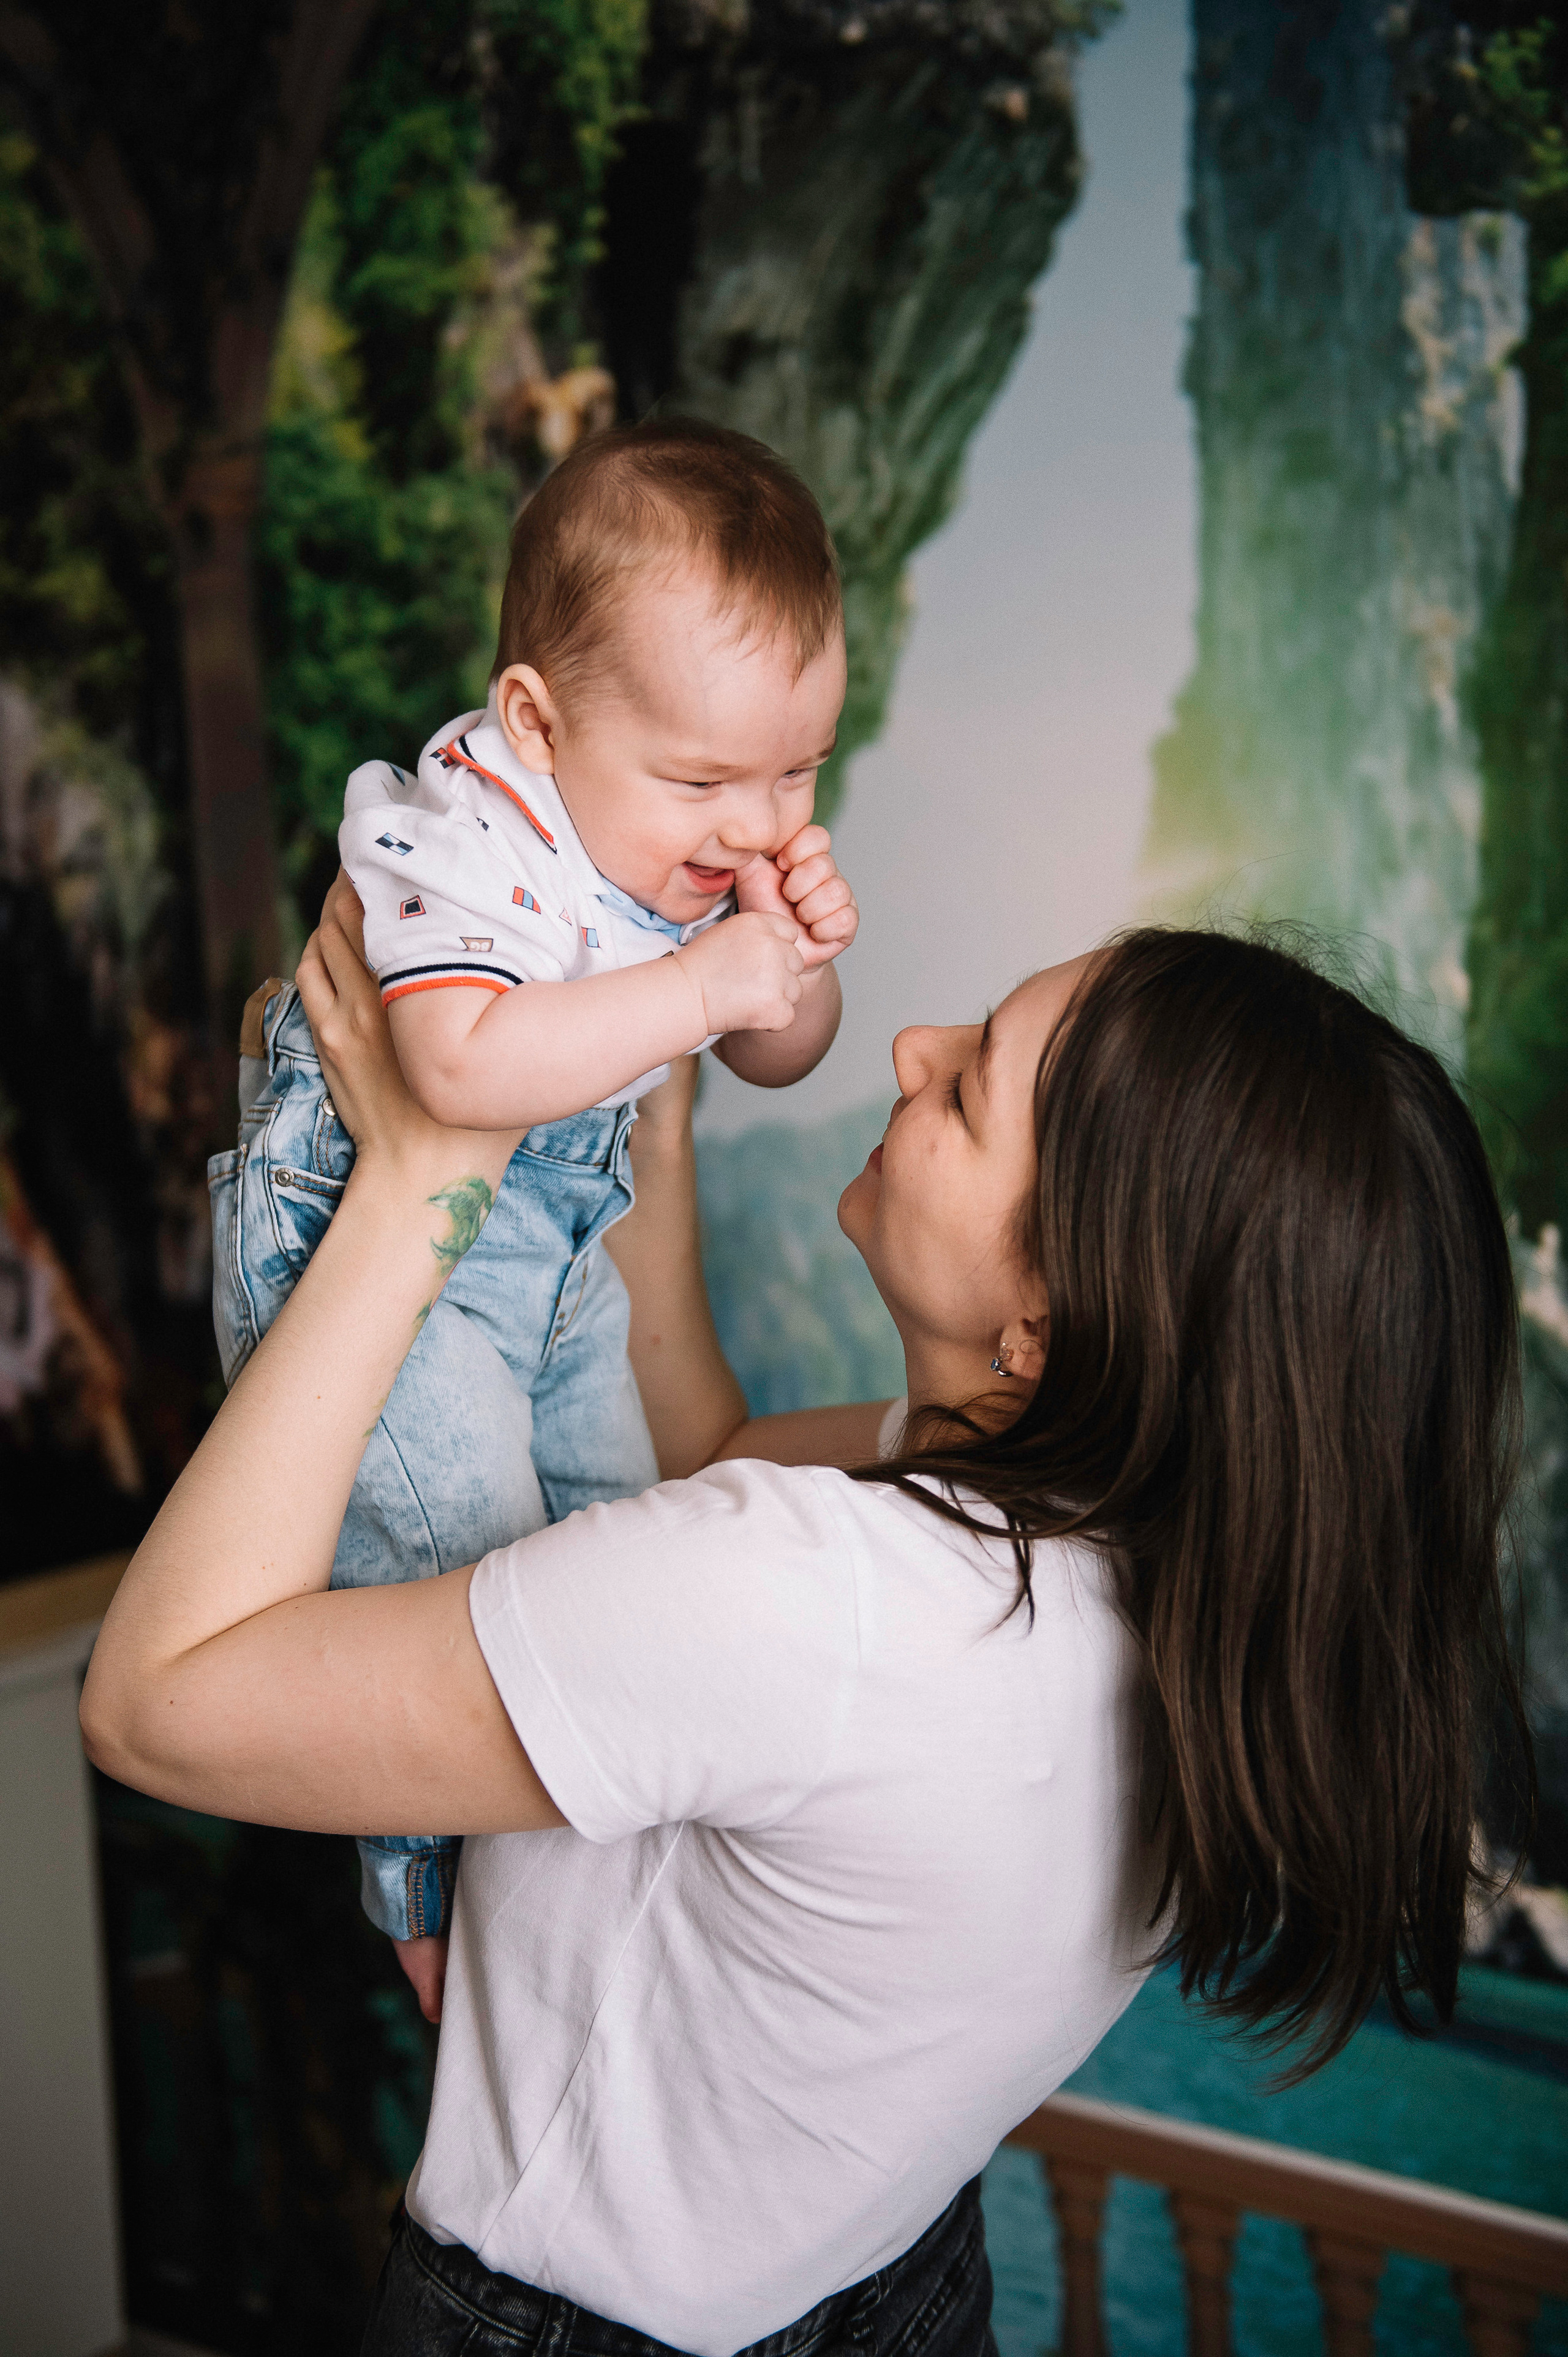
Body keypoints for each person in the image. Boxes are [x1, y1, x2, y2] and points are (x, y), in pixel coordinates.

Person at [86, 897, 1530, 2357]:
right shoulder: (1153, 1578)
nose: (912, 1047)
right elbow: (710, 1442)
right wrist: (648, 1110)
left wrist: (417, 1187)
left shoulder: (823, 1602)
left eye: (967, 1086)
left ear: (1046, 1319)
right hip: (890, 2292)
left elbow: (158, 1699)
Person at [208, 418, 859, 1967]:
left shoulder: (693, 854)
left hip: (556, 1264)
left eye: (799, 768)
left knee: (616, 1568)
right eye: (706, 776)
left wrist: (789, 973)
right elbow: (457, 1070)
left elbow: (775, 1053)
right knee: (467, 1588)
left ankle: (589, 1916)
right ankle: (430, 1910)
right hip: (382, 1269)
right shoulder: (462, 828)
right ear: (533, 719)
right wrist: (706, 983)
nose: (758, 821)